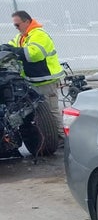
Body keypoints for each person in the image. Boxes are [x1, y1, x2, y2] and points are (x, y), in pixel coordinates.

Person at [2, 11, 64, 141]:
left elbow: (33, 54)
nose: (16, 28)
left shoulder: (39, 35)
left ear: (27, 22)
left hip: (46, 81)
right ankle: (48, 137)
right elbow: (11, 45)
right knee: (38, 111)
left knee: (50, 112)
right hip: (33, 82)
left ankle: (62, 138)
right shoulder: (23, 36)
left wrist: (14, 51)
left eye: (17, 25)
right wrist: (4, 48)